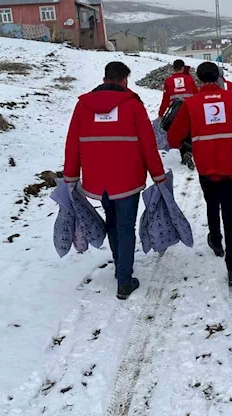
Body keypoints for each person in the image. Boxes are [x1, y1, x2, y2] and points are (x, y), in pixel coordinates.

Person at [64, 61, 167, 300]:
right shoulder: (132, 105)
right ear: (124, 80)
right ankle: (124, 279)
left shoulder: (83, 105)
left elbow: (72, 144)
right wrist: (158, 176)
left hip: (98, 179)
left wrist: (70, 176)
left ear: (104, 78)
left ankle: (121, 266)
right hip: (128, 177)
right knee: (125, 226)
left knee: (112, 222)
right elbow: (148, 145)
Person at [168, 61, 232, 286]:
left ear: (199, 79)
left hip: (206, 166)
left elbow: (173, 139)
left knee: (211, 203)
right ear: (219, 77)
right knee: (230, 213)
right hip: (231, 165)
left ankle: (216, 240)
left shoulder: (191, 104)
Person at [159, 59, 198, 169]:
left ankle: (184, 153)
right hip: (189, 111)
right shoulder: (189, 79)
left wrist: (161, 113)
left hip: (175, 113)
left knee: (179, 134)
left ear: (173, 68)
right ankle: (190, 151)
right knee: (189, 132)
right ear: (182, 68)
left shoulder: (168, 81)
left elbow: (165, 99)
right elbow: (196, 94)